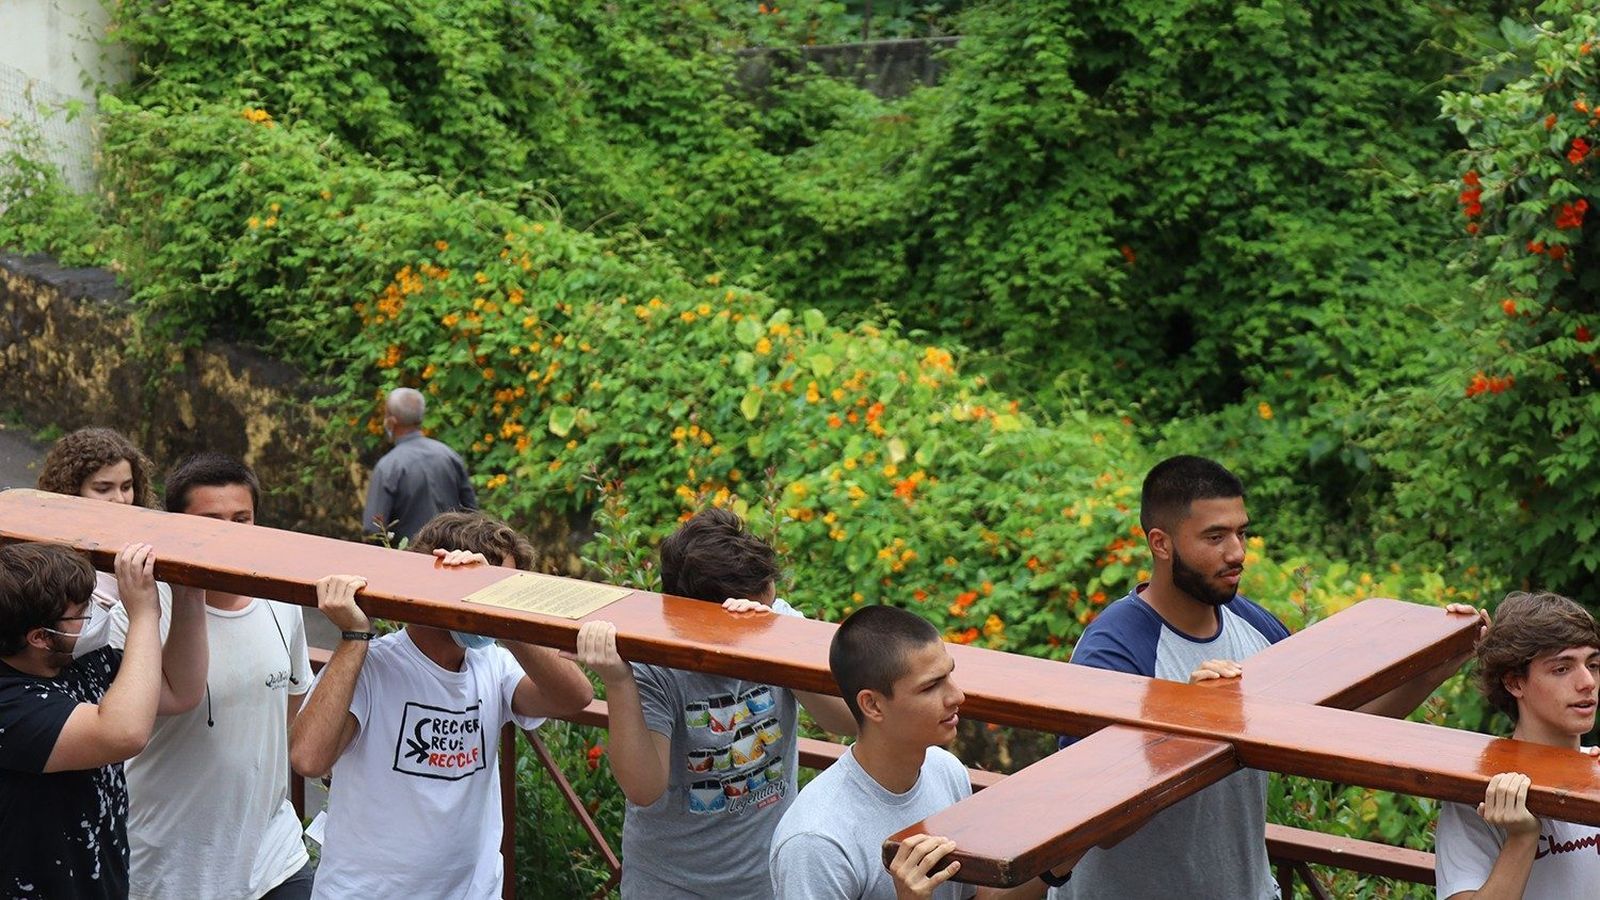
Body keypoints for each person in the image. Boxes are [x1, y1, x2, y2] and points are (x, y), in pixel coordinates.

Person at [1057, 455, 1482, 900]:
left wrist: (1434, 669)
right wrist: (1186, 723)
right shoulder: (1113, 649)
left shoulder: (1254, 626)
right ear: (1161, 544)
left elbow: (1332, 729)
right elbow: (1093, 824)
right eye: (1215, 537)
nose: (1237, 552)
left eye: (1242, 532)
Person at [290, 510, 593, 899]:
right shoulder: (373, 665)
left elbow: (575, 697)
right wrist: (354, 636)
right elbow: (308, 758)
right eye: (490, 590)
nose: (495, 603)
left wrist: (507, 621)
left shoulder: (492, 663)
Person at [571, 507, 858, 899]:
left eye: (770, 600)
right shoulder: (655, 662)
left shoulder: (777, 621)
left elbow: (843, 720)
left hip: (767, 878)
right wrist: (618, 682)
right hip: (671, 883)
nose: (768, 609)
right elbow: (644, 788)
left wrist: (777, 642)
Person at [109, 453, 315, 900]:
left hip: (273, 854)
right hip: (171, 863)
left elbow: (294, 708)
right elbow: (129, 722)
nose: (228, 532)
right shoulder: (139, 614)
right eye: (211, 520)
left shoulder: (282, 601)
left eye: (242, 519)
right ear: (176, 525)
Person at [769, 604, 1069, 899]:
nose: (957, 696)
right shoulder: (815, 841)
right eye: (930, 687)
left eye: (950, 676)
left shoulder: (944, 770)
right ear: (872, 705)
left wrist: (1059, 861)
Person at [0, 542, 204, 899]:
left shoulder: (77, 663)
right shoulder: (9, 701)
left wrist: (188, 597)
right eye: (80, 613)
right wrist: (143, 615)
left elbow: (178, 689)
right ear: (39, 638)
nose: (92, 616)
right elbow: (123, 734)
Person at [1435, 591, 1600, 899]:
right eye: (1562, 668)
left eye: (1592, 664)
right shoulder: (1473, 795)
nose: (1587, 682)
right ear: (1514, 682)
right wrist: (1523, 838)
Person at [37, 426, 170, 610]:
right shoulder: (47, 556)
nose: (120, 499)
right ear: (72, 491)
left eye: (126, 487)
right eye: (103, 489)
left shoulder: (150, 543)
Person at [361, 387, 477, 541]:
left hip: (409, 559)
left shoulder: (389, 466)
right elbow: (473, 514)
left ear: (391, 421)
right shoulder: (449, 455)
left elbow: (373, 529)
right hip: (451, 558)